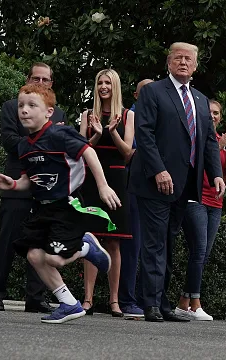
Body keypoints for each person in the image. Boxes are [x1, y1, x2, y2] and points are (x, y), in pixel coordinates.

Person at [0, 83, 120, 323]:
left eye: (31, 105)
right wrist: (15, 185)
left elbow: (88, 152)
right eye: (21, 106)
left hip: (67, 206)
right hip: (42, 209)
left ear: (49, 112)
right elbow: (31, 178)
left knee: (53, 258)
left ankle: (86, 245)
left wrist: (102, 186)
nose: (24, 111)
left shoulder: (60, 134)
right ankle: (69, 304)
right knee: (34, 256)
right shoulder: (23, 146)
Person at [129, 42, 225, 323]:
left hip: (184, 186)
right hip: (154, 182)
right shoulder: (153, 91)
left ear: (196, 65)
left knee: (168, 242)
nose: (183, 62)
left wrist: (216, 173)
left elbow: (208, 141)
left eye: (189, 59)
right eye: (178, 58)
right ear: (169, 62)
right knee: (155, 242)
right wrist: (158, 170)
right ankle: (152, 304)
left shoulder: (199, 99)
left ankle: (162, 302)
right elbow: (144, 134)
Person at [0, 62, 67, 313]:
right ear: (28, 79)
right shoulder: (12, 107)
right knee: (8, 240)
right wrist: (46, 139)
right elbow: (11, 142)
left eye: (46, 80)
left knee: (40, 243)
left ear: (51, 84)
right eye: (36, 78)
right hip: (15, 182)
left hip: (46, 188)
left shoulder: (59, 114)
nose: (40, 83)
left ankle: (36, 298)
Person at [173, 100, 226, 321]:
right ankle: (196, 303)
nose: (212, 116)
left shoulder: (222, 140)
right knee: (199, 250)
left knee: (202, 254)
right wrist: (217, 147)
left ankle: (184, 302)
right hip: (195, 199)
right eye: (209, 112)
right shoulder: (193, 136)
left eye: (217, 113)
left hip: (216, 204)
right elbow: (194, 162)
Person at [80, 69, 134, 317]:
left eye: (107, 83)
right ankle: (88, 299)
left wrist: (112, 131)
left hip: (117, 177)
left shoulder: (127, 115)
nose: (103, 86)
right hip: (91, 178)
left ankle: (114, 301)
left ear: (115, 87)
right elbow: (79, 150)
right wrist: (97, 134)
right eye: (99, 82)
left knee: (114, 240)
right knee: (91, 239)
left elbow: (128, 153)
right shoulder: (87, 115)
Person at [118, 78, 154, 318]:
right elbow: (129, 153)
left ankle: (144, 298)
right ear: (136, 95)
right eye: (146, 92)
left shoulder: (153, 118)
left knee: (147, 246)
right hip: (129, 184)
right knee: (131, 245)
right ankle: (126, 300)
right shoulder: (130, 116)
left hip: (150, 186)